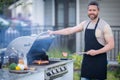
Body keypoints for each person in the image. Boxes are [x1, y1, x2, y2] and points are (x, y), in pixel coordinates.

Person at [48, 1, 114, 80]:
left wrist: (96, 52)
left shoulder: (105, 26)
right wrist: (53, 32)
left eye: (94, 10)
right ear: (87, 11)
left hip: (99, 61)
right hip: (87, 60)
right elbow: (70, 30)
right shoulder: (85, 23)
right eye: (90, 10)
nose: (91, 12)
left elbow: (111, 45)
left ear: (98, 11)